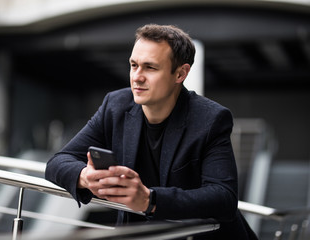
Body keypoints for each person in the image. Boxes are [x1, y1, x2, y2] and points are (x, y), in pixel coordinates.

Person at [45, 24, 258, 239]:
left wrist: (150, 199)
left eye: (150, 68)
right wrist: (85, 177)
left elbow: (224, 198)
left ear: (180, 73)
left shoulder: (211, 119)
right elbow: (58, 162)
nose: (137, 77)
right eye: (134, 65)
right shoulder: (115, 105)